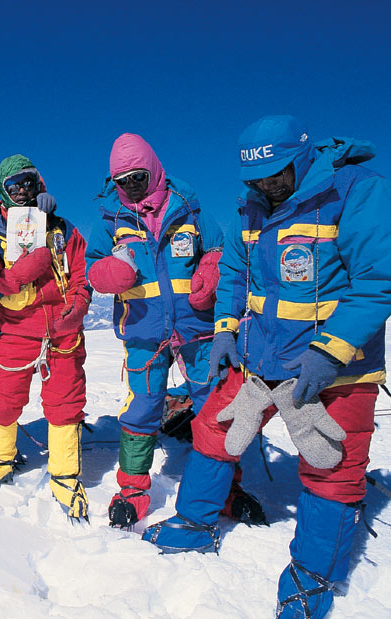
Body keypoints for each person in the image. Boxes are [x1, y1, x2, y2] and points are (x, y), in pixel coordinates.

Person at [142, 116, 391, 618]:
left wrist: (330, 351)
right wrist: (226, 329)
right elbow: (234, 272)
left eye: (275, 174)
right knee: (214, 431)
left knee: (332, 466)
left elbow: (376, 281)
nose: (266, 185)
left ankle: (311, 577)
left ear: (302, 157)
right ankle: (195, 522)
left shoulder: (355, 191)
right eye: (255, 178)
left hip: (336, 370)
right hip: (260, 360)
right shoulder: (251, 208)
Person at [87, 133, 263, 528]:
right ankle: (132, 489)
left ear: (153, 170)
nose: (131, 186)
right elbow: (91, 267)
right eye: (123, 180)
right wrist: (108, 273)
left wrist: (212, 266)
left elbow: (221, 250)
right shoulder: (111, 219)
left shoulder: (189, 208)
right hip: (143, 332)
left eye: (138, 176)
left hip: (198, 331)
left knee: (214, 405)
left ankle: (226, 489)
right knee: (142, 408)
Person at [0, 154, 91, 521]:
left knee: (65, 401)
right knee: (4, 399)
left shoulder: (62, 229)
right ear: (2, 190)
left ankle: (65, 475)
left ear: (39, 183)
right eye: (14, 185)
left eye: (28, 181)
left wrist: (79, 306)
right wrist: (14, 278)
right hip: (15, 329)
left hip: (62, 329)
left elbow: (81, 275)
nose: (22, 190)